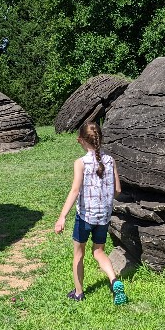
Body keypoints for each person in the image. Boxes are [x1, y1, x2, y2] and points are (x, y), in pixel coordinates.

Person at [54, 121, 127, 305]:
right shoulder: (110, 161)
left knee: (79, 254)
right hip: (103, 216)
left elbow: (75, 190)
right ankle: (114, 280)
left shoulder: (81, 163)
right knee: (99, 251)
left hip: (85, 217)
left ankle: (79, 293)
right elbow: (117, 189)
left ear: (81, 140)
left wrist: (62, 216)